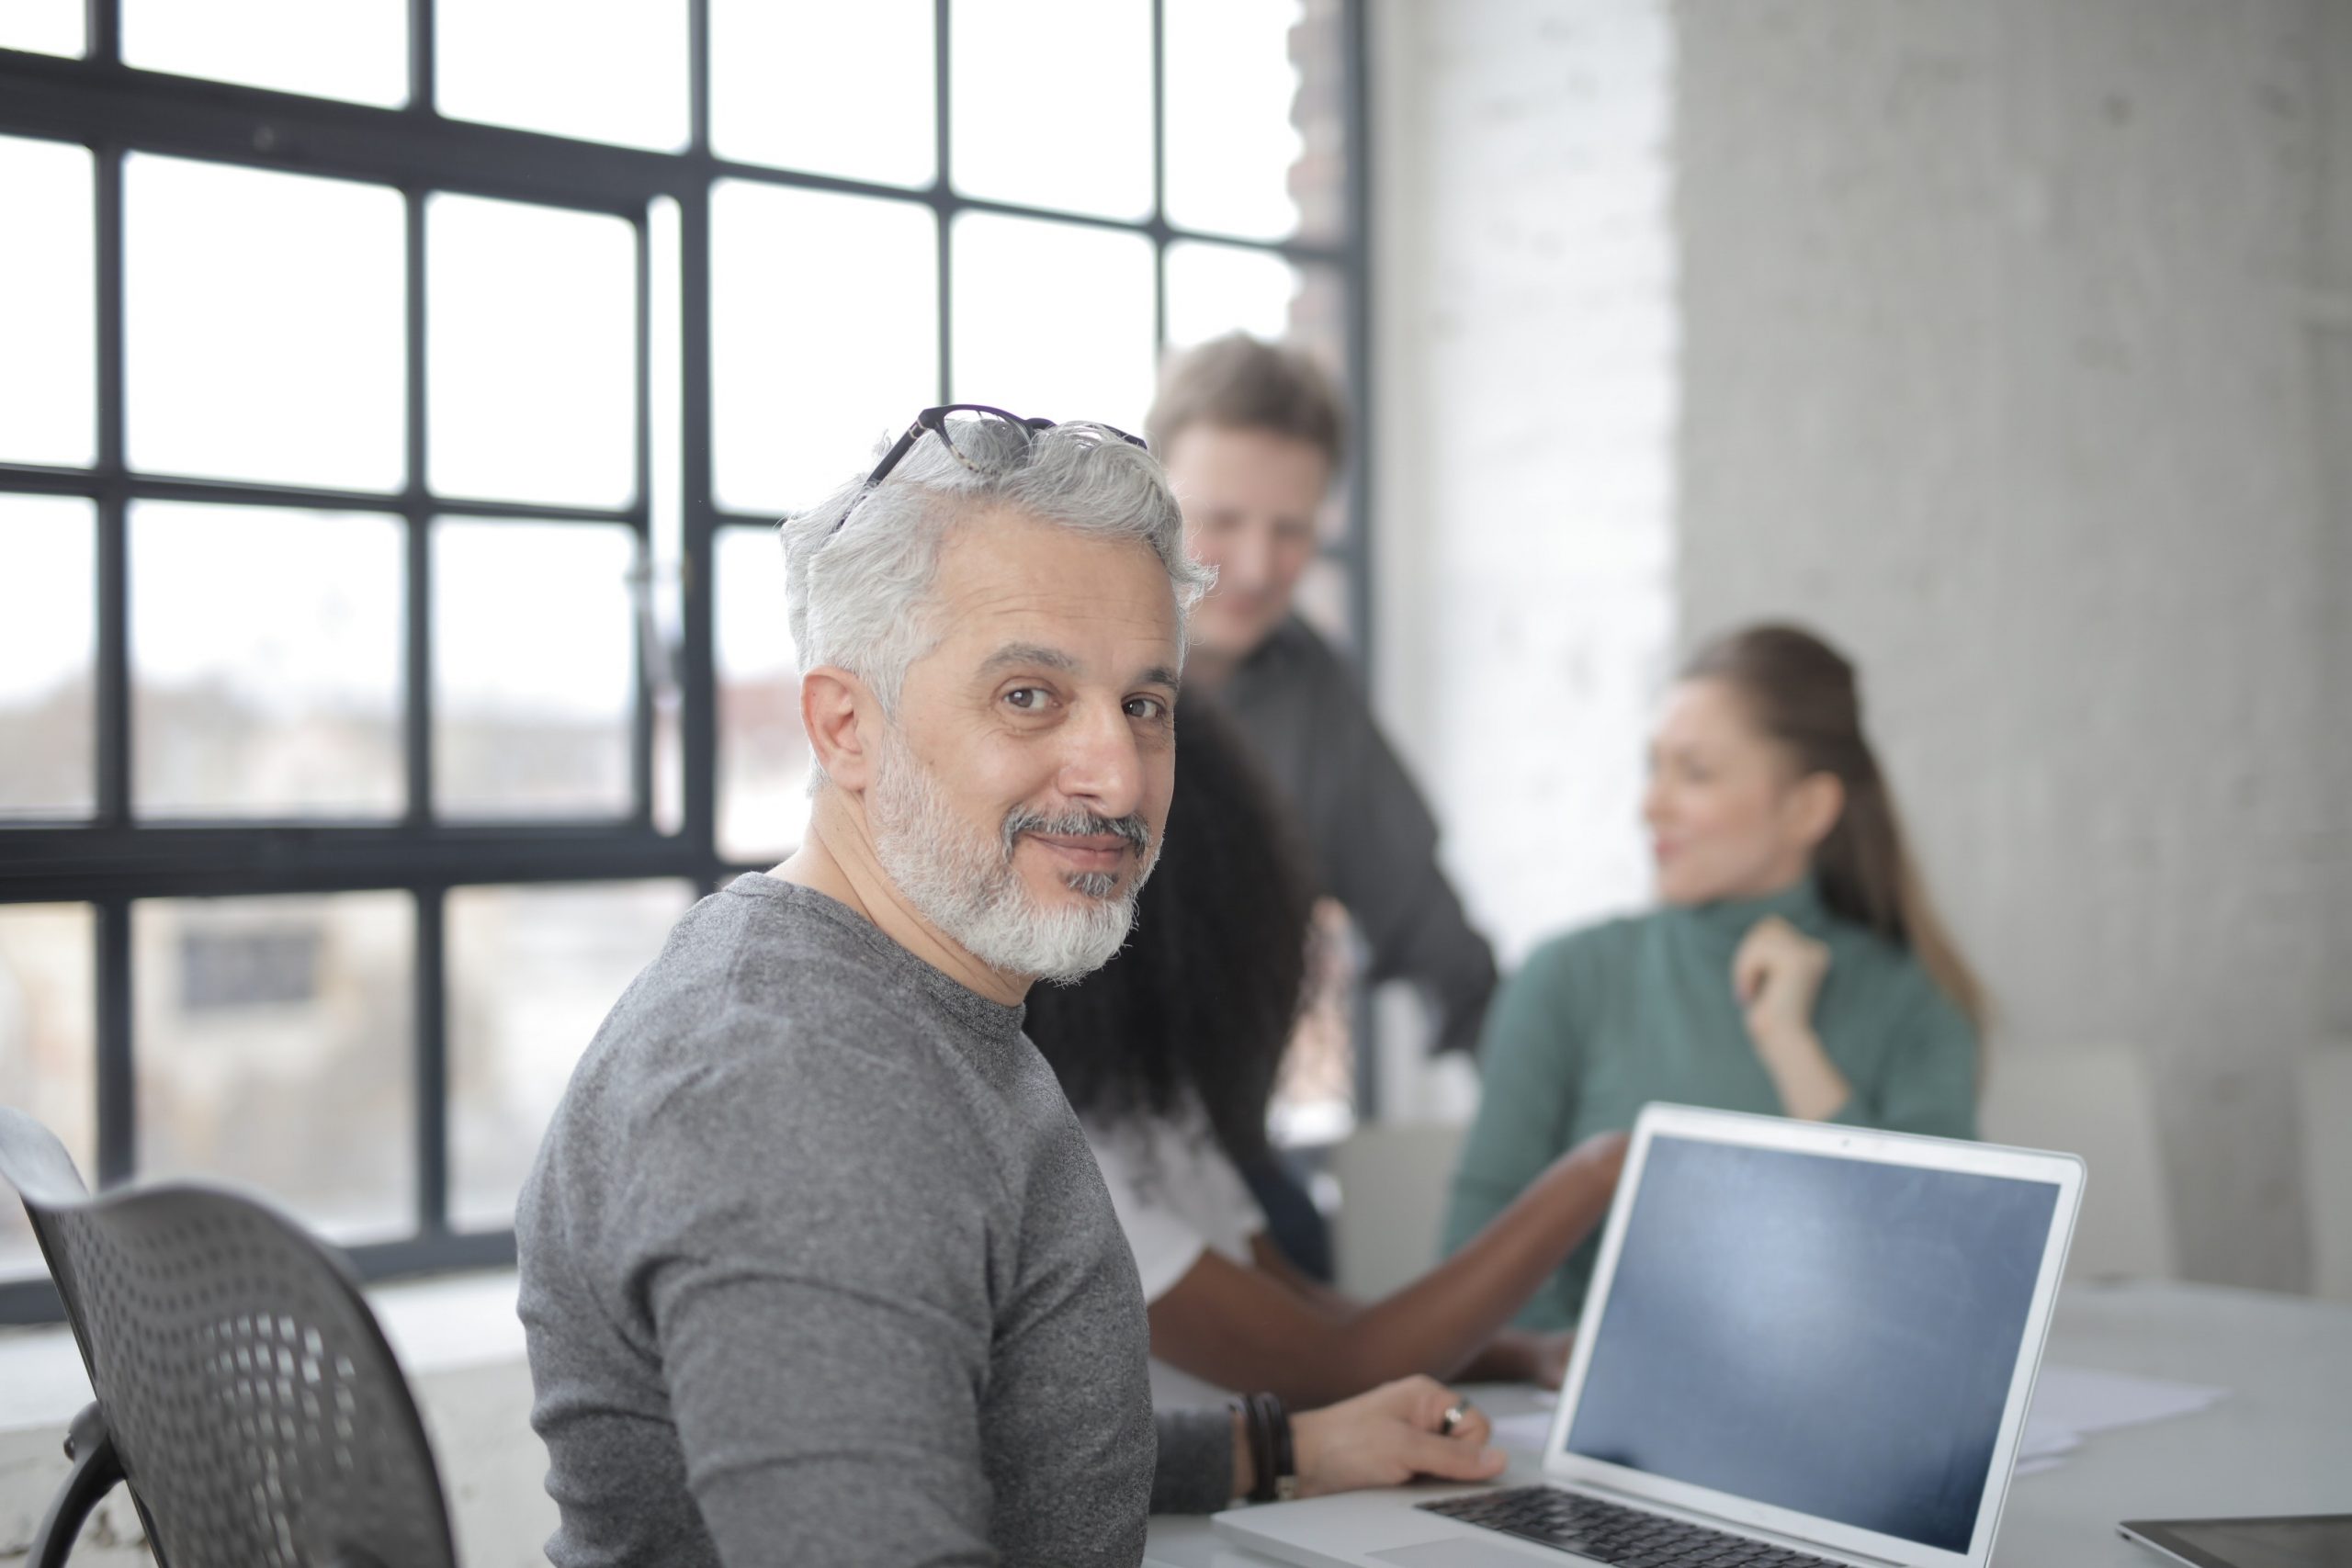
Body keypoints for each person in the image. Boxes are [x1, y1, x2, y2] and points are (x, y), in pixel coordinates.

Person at [514, 405, 1506, 1568]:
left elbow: (983, 1430)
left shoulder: (907, 994)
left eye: (1144, 703)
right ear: (846, 727)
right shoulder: (801, 1091)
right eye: (1028, 695)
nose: (1117, 774)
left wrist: (1280, 1449)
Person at [1024, 694, 1627, 1411]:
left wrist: (1524, 1355)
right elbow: (1333, 1364)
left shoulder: (1151, 1104)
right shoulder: (1057, 1157)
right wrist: (1596, 1174)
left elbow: (1308, 1311)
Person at [1442, 624, 1985, 1331]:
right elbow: (1471, 1261)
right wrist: (1566, 1370)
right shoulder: (1568, 977)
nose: (1650, 806)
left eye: (1694, 773)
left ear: (1807, 809)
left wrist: (1791, 1044)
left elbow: (1932, 1273)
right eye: (1654, 767)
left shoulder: (1916, 999)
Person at [1148, 334, 1499, 1275]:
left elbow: (1440, 945)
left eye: (1293, 529)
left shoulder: (1316, 694)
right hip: (1049, 1153)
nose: (1258, 567)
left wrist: (1557, 1128)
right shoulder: (1047, 665)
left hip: (1226, 1164)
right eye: (1220, 519)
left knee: (1322, 1280)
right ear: (1150, 492)